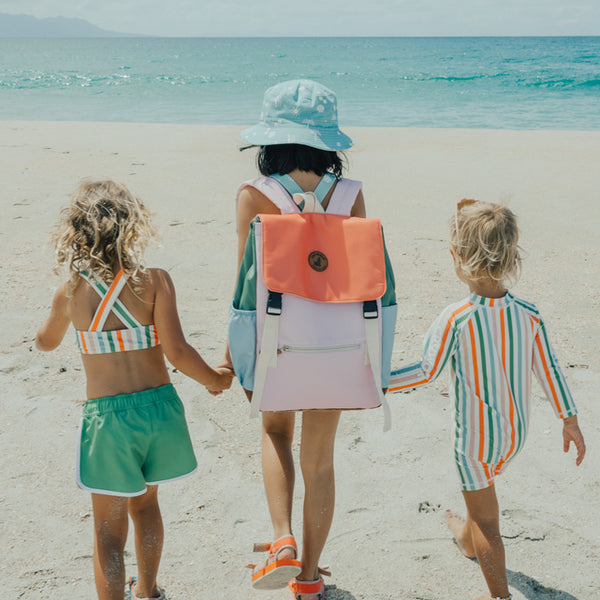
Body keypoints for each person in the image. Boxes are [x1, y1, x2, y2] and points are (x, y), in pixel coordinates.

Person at [224, 79, 395, 600]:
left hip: (279, 339)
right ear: (328, 142)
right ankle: (309, 579)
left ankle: (282, 541)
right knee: (321, 458)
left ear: (269, 140)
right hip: (340, 344)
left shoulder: (255, 195)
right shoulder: (350, 194)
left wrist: (234, 353)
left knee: (276, 433)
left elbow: (243, 284)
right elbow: (360, 275)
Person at [35, 180, 233, 600]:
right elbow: (177, 351)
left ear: (76, 232)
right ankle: (147, 591)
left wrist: (62, 320)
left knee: (108, 529)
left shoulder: (70, 292)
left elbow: (46, 341)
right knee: (146, 506)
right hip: (160, 410)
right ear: (132, 226)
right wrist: (214, 380)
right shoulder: (155, 281)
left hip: (108, 419)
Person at [388, 199, 586, 600]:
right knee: (479, 505)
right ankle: (464, 537)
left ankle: (499, 596)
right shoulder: (529, 314)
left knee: (487, 522)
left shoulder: (457, 317)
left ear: (456, 257)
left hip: (475, 442)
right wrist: (569, 419)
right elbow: (548, 369)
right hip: (515, 435)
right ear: (512, 253)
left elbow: (426, 371)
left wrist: (373, 384)